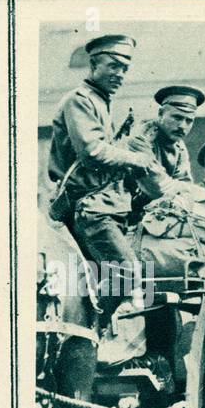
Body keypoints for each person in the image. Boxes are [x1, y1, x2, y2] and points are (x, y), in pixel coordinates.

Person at [47, 34, 159, 301]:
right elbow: (92, 152)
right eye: (113, 66)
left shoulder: (101, 101)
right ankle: (96, 332)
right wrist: (135, 159)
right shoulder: (80, 100)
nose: (120, 74)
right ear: (94, 65)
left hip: (105, 205)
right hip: (86, 207)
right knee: (129, 274)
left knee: (138, 276)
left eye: (124, 69)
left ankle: (101, 326)